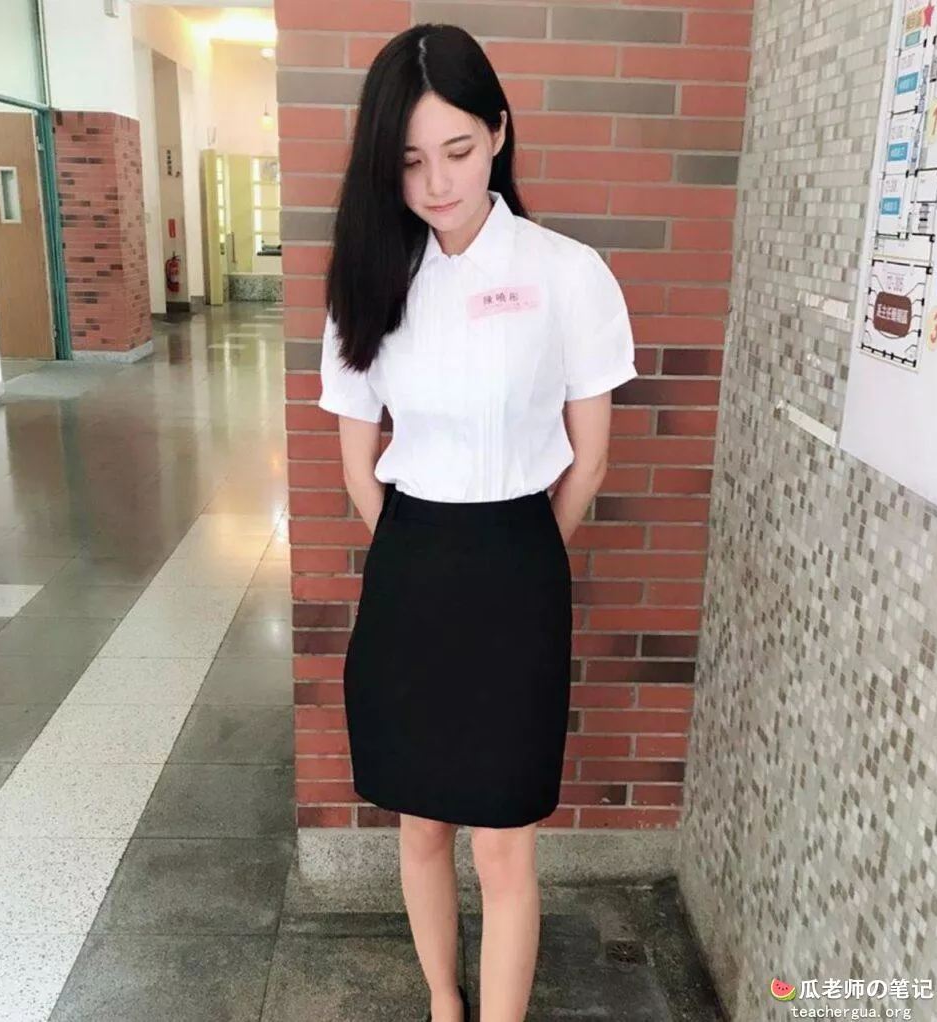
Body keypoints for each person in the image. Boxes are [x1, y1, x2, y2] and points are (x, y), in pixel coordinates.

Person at [317, 23, 637, 1022]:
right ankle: (441, 1000)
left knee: (503, 839)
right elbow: (356, 462)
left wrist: (520, 554)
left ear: (498, 131)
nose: (436, 182)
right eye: (410, 160)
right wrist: (421, 551)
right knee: (419, 823)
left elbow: (588, 459)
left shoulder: (568, 273)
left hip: (518, 564)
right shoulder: (370, 278)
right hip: (410, 563)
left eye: (457, 149)